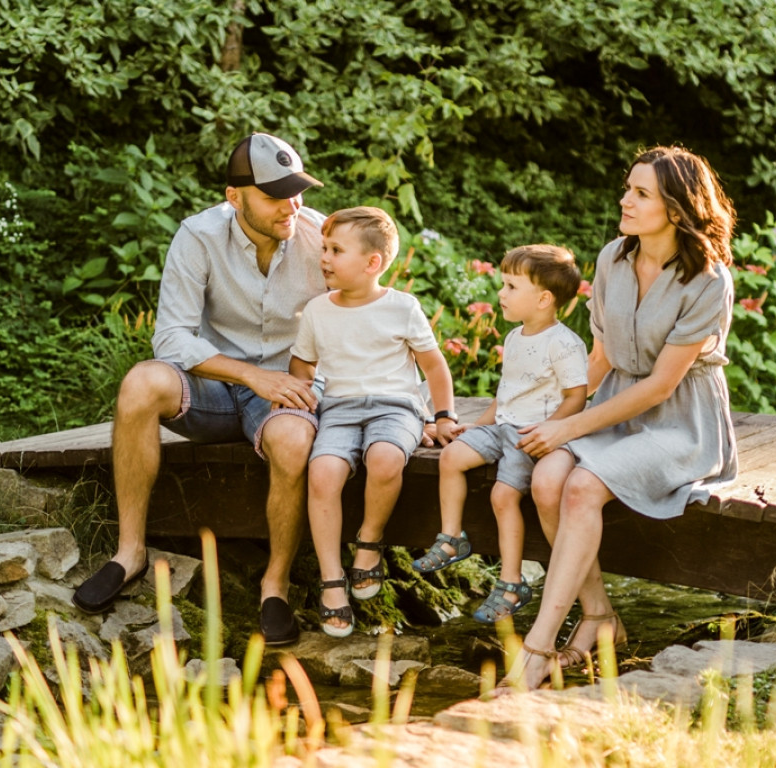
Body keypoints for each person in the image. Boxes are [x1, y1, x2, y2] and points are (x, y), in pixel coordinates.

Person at [494, 145, 738, 692]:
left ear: (676, 209)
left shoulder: (708, 280)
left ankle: (538, 647)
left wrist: (570, 429)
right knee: (549, 475)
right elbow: (601, 358)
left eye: (641, 193)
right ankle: (602, 617)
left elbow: (661, 384)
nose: (625, 200)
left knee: (580, 486)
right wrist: (554, 416)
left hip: (680, 422)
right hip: (617, 405)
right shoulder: (613, 259)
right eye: (627, 188)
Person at [72, 132, 327, 647]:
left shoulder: (321, 236)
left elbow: (363, 318)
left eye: (296, 191)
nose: (291, 206)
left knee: (294, 442)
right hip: (211, 386)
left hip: (284, 391)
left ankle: (273, 585)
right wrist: (250, 374)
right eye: (275, 195)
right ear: (234, 197)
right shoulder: (198, 235)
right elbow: (170, 336)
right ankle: (130, 554)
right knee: (141, 381)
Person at [288, 206, 459, 638]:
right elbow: (302, 364)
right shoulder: (317, 311)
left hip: (395, 407)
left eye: (336, 250)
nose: (324, 257)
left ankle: (368, 542)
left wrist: (443, 417)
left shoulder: (402, 307)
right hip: (340, 408)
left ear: (373, 263)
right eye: (324, 248)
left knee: (385, 459)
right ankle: (332, 579)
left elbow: (435, 367)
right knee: (323, 471)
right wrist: (297, 397)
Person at [411, 244, 588, 624]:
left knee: (503, 495)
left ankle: (511, 582)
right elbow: (506, 392)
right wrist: (479, 425)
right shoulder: (514, 337)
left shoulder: (564, 344)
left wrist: (551, 430)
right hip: (501, 425)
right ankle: (451, 537)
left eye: (510, 287)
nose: (501, 294)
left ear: (543, 299)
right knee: (452, 456)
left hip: (530, 434)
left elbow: (577, 397)